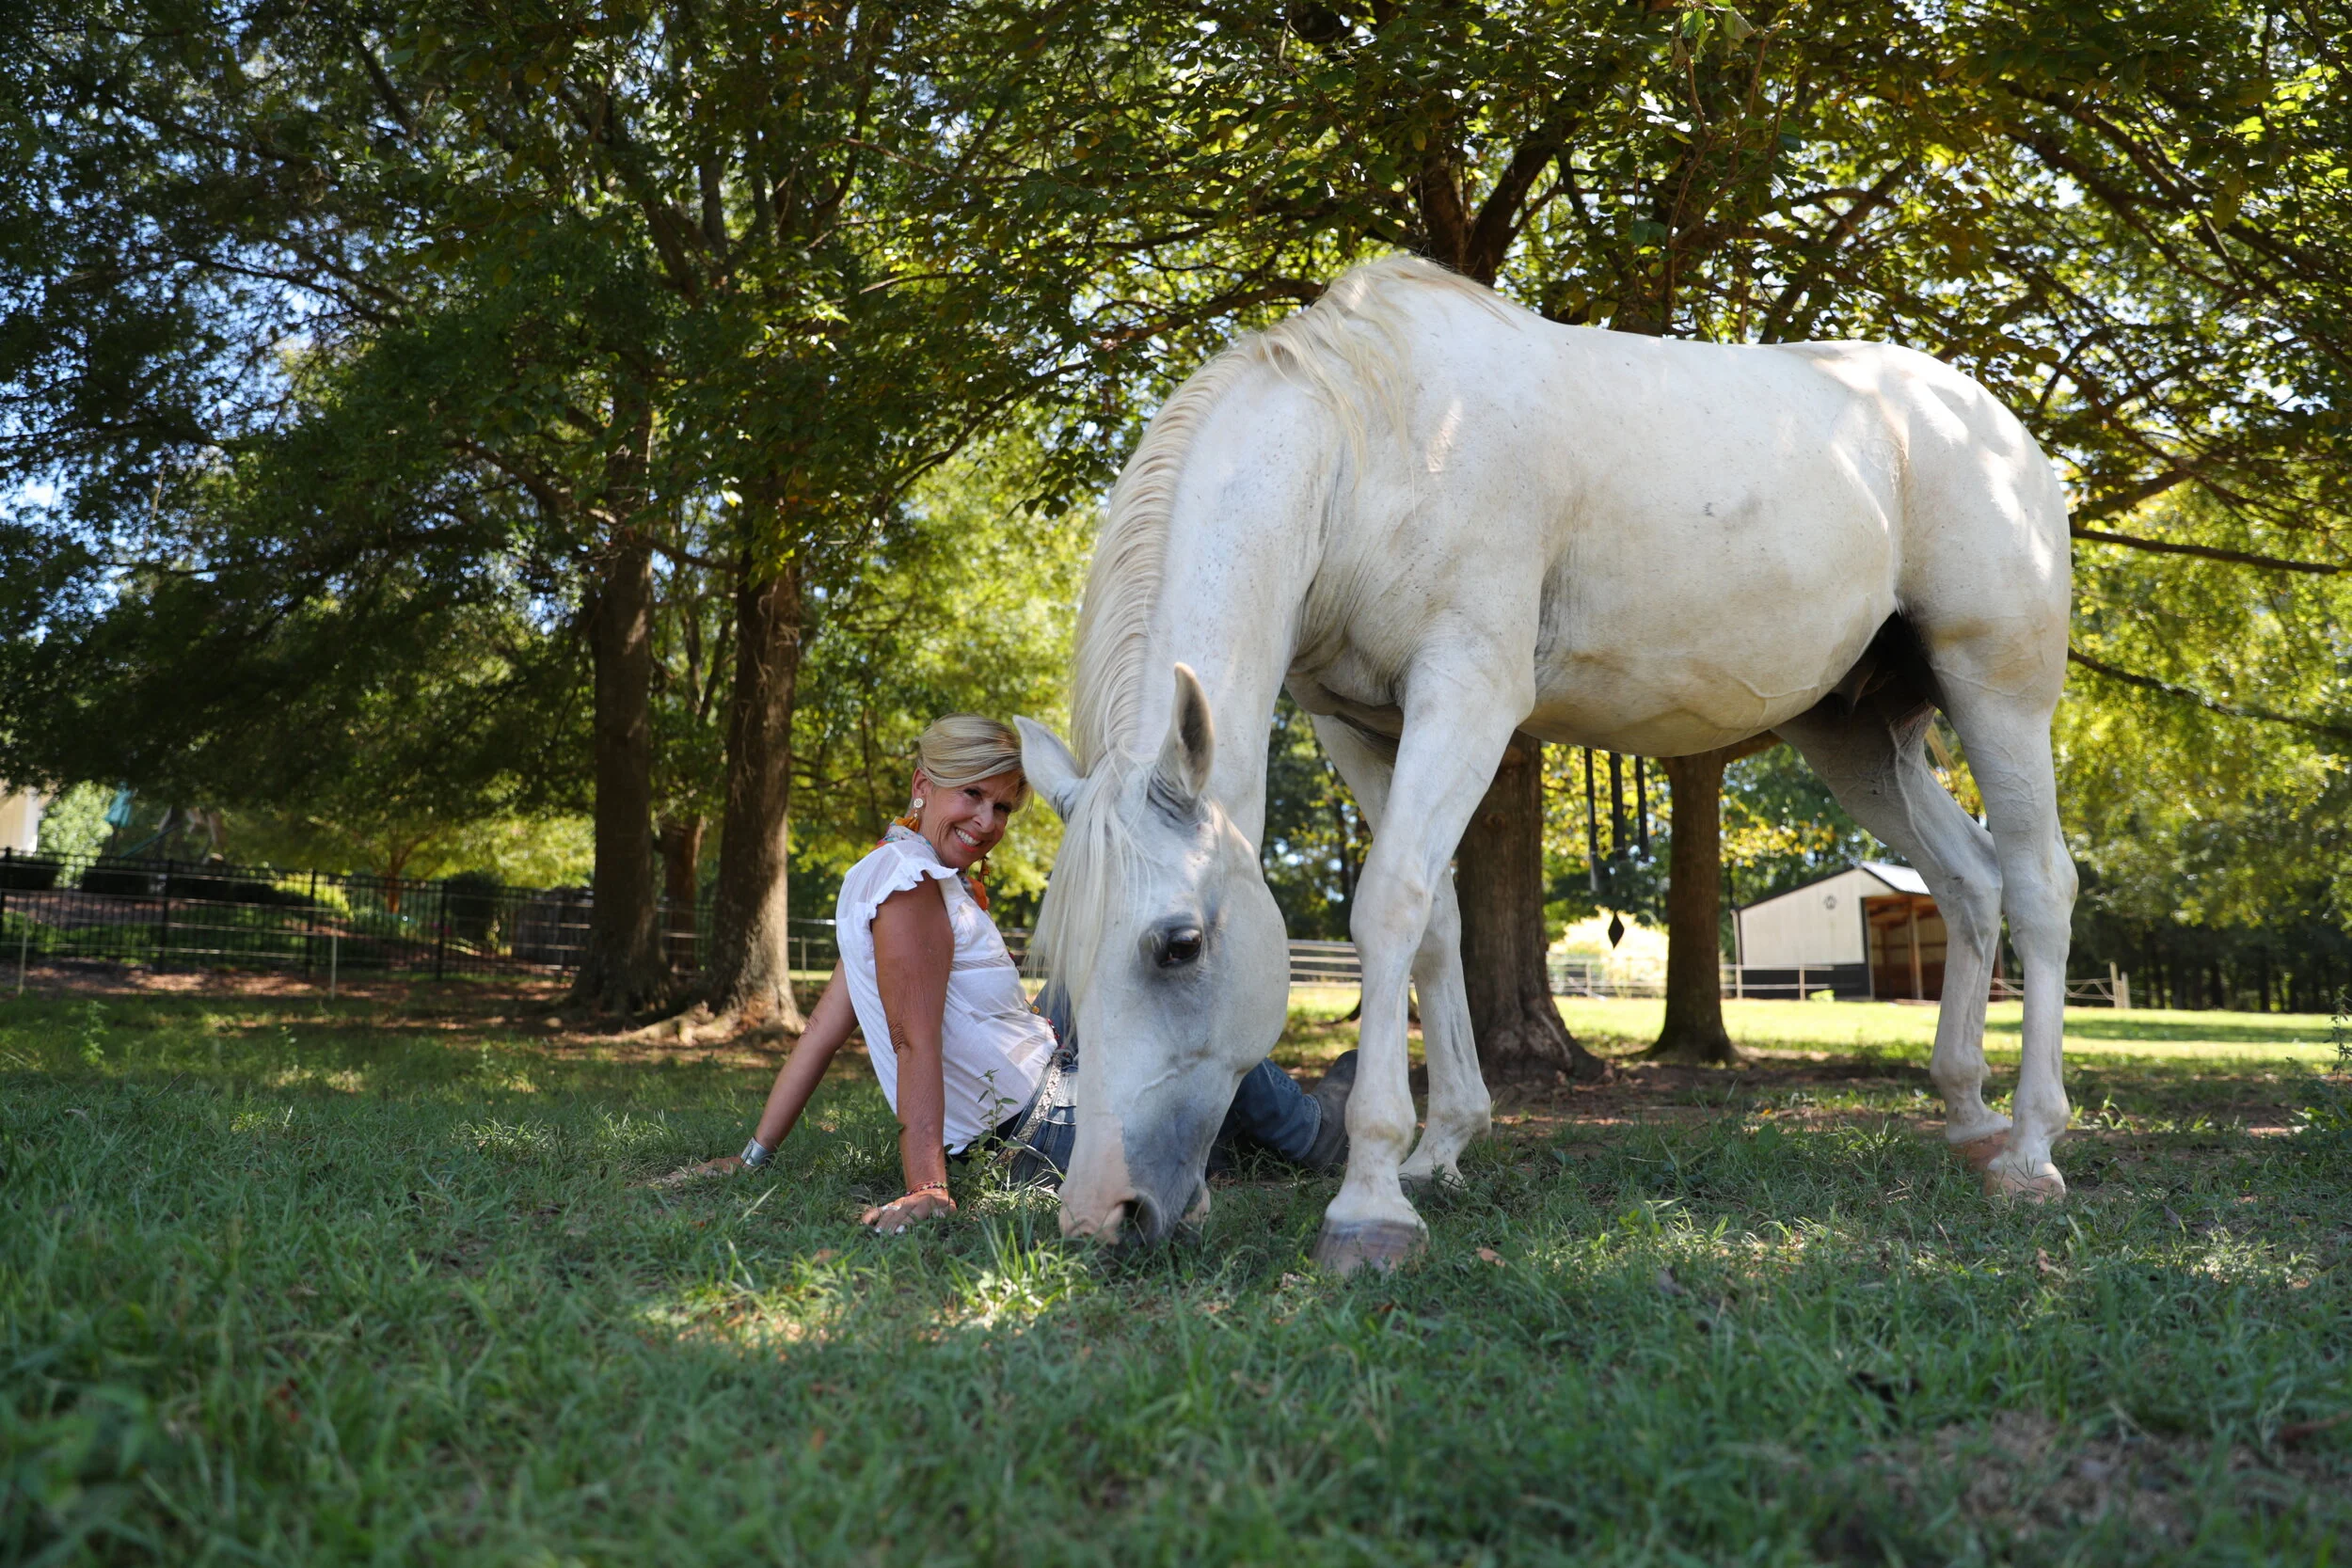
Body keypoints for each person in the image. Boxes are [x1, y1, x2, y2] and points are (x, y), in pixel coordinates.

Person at [674, 713, 1356, 1234]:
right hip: (1043, 1129)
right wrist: (927, 1187)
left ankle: (1238, 1133)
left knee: (1090, 974)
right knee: (1185, 1012)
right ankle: (1309, 1132)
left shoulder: (883, 878)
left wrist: (754, 1154)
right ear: (922, 786)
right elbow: (914, 1044)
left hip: (1035, 1089)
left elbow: (820, 1033)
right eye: (970, 794)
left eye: (1001, 807)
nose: (986, 820)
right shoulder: (911, 892)